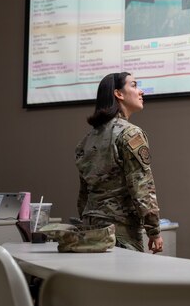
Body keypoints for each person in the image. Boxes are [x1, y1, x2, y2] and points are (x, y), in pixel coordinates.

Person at [75, 72, 164, 254]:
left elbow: (84, 194)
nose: (141, 92)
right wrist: (154, 231)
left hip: (89, 229)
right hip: (120, 233)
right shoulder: (130, 134)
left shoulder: (87, 140)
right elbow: (142, 186)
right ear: (119, 94)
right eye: (134, 85)